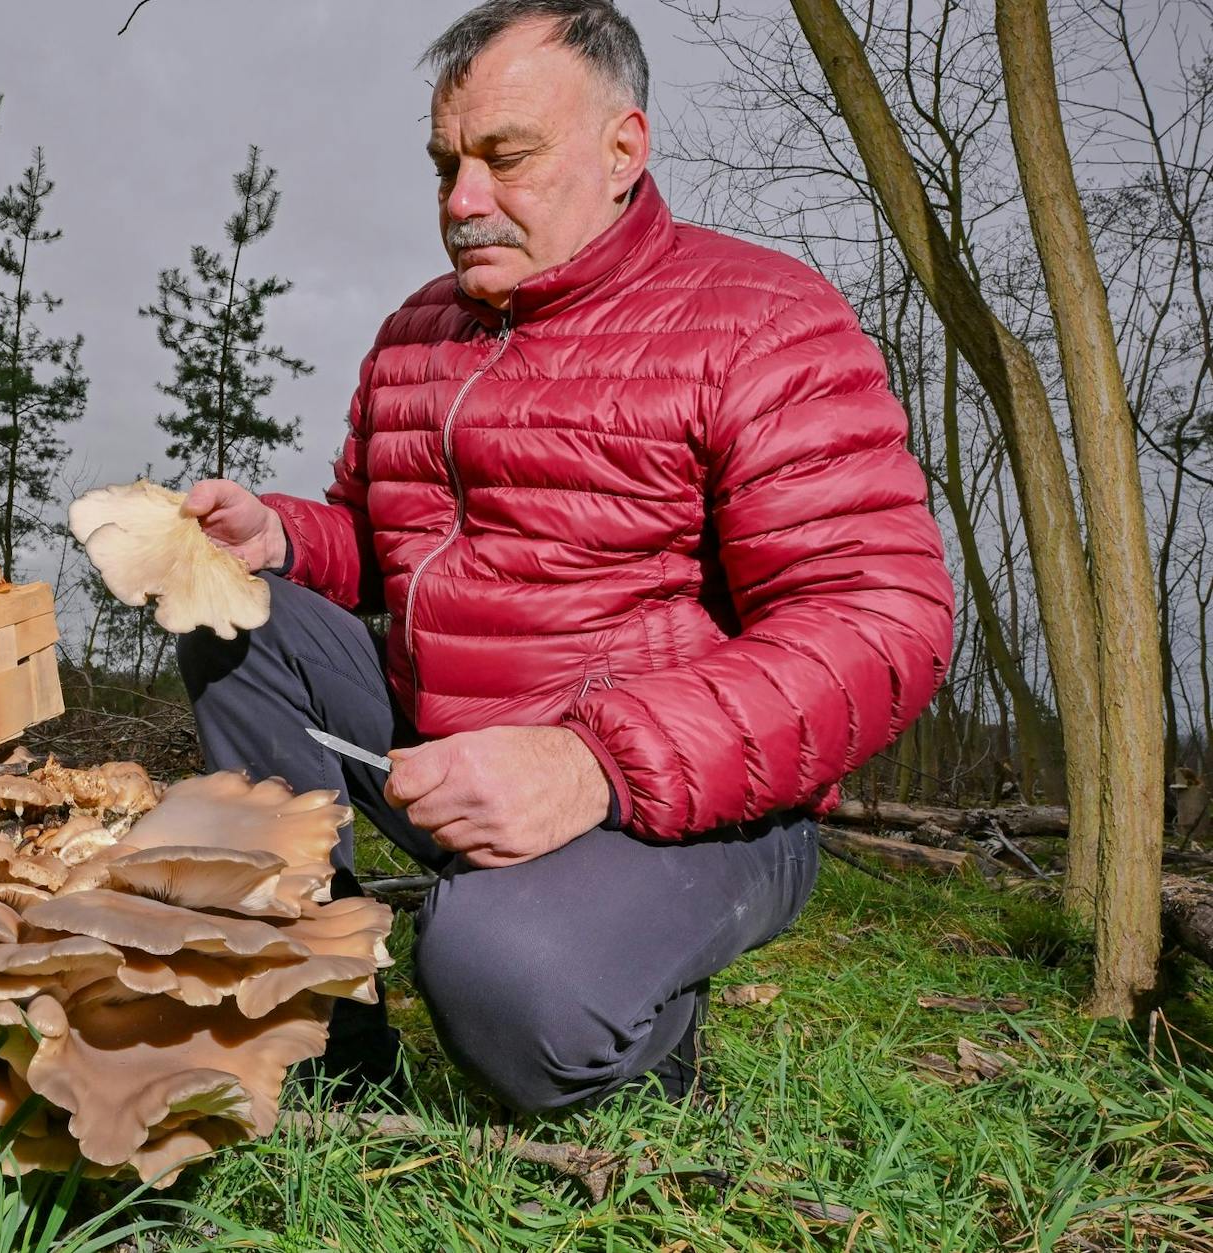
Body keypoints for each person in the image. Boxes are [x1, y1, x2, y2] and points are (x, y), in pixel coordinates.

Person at [175, 0, 954, 1111]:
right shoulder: (414, 333)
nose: (461, 201)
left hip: (680, 799)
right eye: (445, 162)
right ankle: (318, 1017)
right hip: (439, 758)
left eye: (506, 158)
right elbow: (385, 545)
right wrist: (288, 535)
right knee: (227, 607)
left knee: (505, 979)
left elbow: (881, 620)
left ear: (622, 147)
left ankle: (630, 1022)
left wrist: (589, 762)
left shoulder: (758, 318)